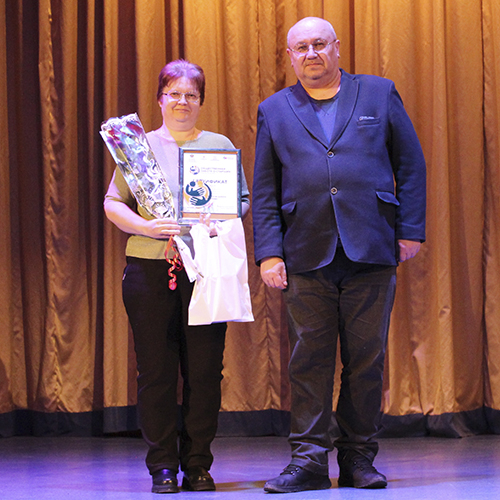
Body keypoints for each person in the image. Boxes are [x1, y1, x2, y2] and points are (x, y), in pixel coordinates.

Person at [252, 17, 426, 493]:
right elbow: (264, 189)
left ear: (336, 48)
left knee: (366, 362)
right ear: (291, 56)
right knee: (308, 362)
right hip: (305, 252)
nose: (311, 54)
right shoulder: (274, 109)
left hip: (371, 248)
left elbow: (410, 164)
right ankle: (308, 460)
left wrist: (410, 230)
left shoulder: (378, 93)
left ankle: (358, 458)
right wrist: (268, 253)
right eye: (301, 47)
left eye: (319, 44)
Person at [104, 59, 250, 494]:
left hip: (205, 268)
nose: (182, 102)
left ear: (201, 101)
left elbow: (241, 200)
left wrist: (219, 220)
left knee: (205, 372)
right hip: (150, 269)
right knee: (156, 373)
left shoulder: (218, 145)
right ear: (160, 99)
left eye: (191, 95)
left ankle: (199, 464)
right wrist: (145, 226)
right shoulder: (138, 148)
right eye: (174, 94)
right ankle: (163, 467)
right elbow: (113, 203)